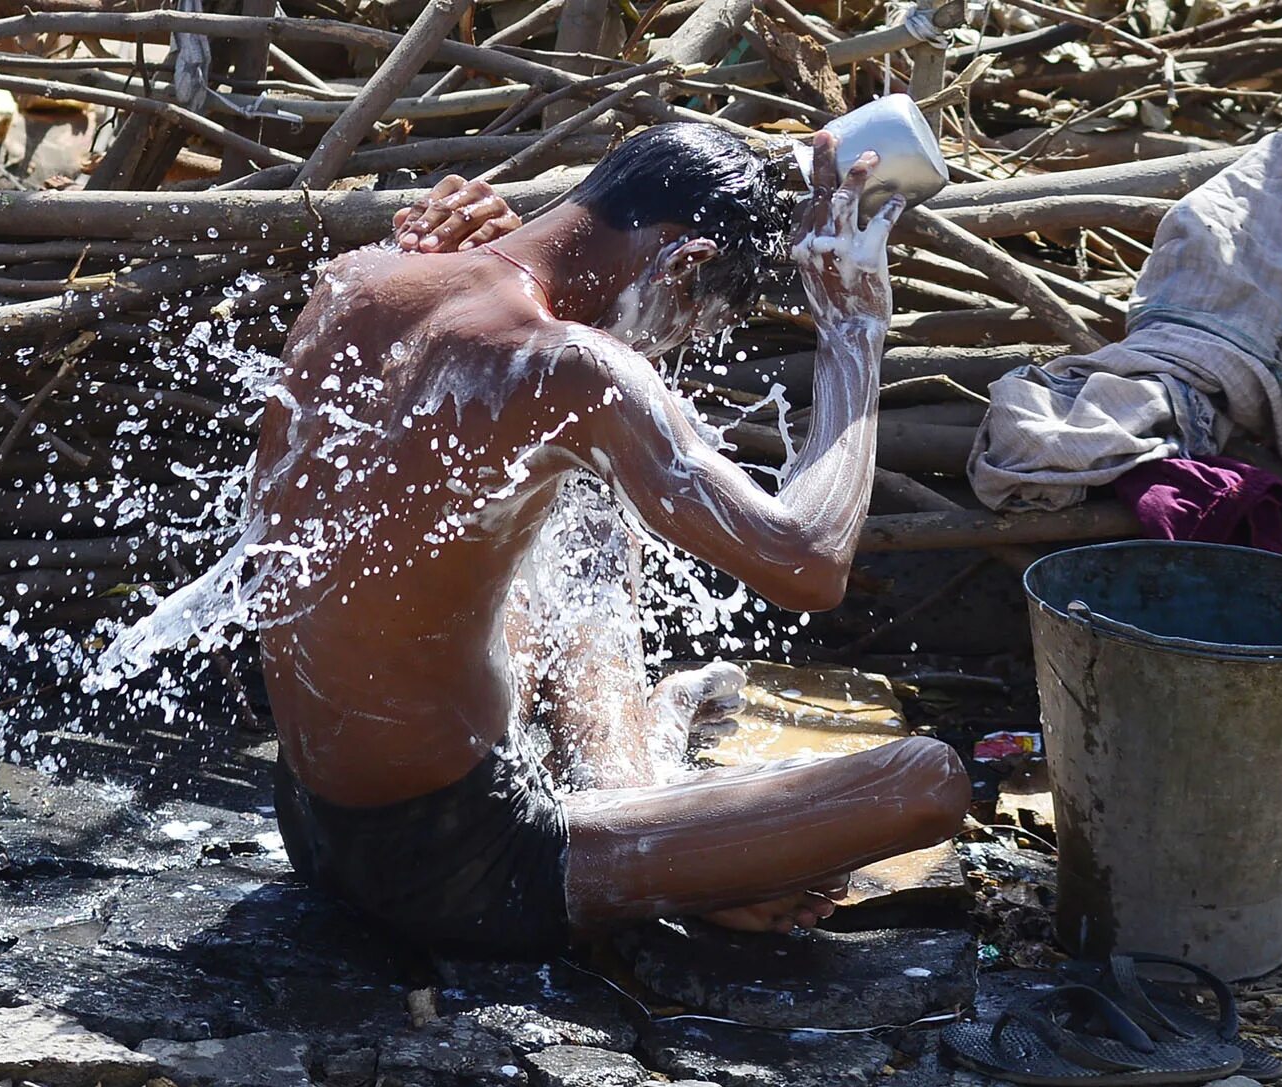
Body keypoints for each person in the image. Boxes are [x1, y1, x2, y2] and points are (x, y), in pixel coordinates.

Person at [253, 123, 971, 959]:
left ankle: (640, 809)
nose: (666, 349)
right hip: (458, 870)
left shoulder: (362, 276)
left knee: (593, 524)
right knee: (925, 780)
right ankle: (665, 854)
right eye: (689, 326)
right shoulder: (576, 369)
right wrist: (853, 329)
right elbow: (808, 563)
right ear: (684, 263)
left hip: (311, 817)